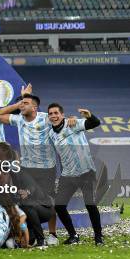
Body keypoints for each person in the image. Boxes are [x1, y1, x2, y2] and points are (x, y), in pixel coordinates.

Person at [0, 89, 59, 245]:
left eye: (26, 103)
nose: (22, 106)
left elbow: (60, 120)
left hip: (47, 168)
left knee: (49, 201)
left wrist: (71, 121)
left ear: (34, 107)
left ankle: (53, 235)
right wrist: (18, 102)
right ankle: (34, 236)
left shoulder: (45, 118)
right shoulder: (19, 120)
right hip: (27, 168)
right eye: (21, 104)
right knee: (28, 200)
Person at [48, 104, 104, 245]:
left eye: (56, 113)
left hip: (86, 172)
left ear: (62, 114)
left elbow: (95, 123)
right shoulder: (50, 133)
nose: (53, 116)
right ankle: (73, 235)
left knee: (90, 205)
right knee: (59, 206)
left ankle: (98, 237)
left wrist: (89, 116)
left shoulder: (73, 123)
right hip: (68, 174)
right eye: (51, 114)